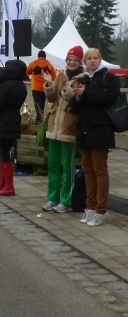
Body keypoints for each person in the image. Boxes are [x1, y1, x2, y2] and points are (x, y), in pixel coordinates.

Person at [69, 48, 120, 227]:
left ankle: (101, 209)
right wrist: (77, 97)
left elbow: (108, 99)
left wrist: (85, 94)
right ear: (85, 61)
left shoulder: (108, 77)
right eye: (89, 58)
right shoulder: (83, 79)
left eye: (95, 58)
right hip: (85, 131)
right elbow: (74, 106)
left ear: (100, 60)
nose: (92, 61)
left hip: (101, 131)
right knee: (88, 170)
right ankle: (89, 206)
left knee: (100, 171)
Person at [41, 45, 85, 213]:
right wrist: (49, 84)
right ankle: (53, 197)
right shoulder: (60, 75)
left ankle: (66, 200)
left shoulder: (83, 79)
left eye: (75, 60)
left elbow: (75, 102)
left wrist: (66, 86)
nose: (71, 62)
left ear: (80, 62)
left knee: (67, 167)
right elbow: (52, 98)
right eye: (69, 59)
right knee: (53, 165)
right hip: (54, 126)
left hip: (69, 127)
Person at [0, 59, 28, 196]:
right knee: (5, 152)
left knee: (4, 153)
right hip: (14, 119)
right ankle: (2, 184)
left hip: (4, 120)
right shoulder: (22, 86)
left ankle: (8, 186)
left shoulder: (7, 85)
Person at [26, 50, 57, 123]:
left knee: (37, 103)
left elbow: (27, 71)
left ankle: (39, 118)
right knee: (42, 102)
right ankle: (41, 117)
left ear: (38, 56)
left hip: (36, 87)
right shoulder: (49, 65)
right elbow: (54, 76)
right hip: (44, 87)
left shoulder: (34, 63)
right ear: (45, 56)